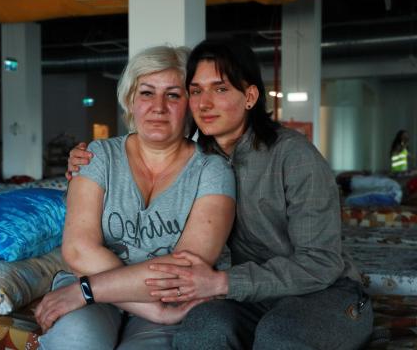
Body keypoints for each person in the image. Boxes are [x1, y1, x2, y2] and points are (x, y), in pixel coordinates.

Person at [67, 39, 374, 350]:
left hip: (321, 291)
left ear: (250, 96)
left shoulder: (294, 156)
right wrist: (81, 161)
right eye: (196, 91)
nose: (204, 103)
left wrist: (224, 283)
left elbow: (321, 263)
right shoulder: (199, 158)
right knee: (201, 332)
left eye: (220, 89)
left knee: (279, 337)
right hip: (247, 297)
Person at [35, 45, 236, 350]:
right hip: (107, 293)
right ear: (130, 100)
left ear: (190, 105)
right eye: (146, 93)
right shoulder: (98, 156)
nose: (158, 106)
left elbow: (184, 272)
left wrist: (89, 290)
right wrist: (140, 305)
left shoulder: (212, 169)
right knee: (75, 340)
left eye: (173, 94)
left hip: (169, 300)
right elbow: (78, 250)